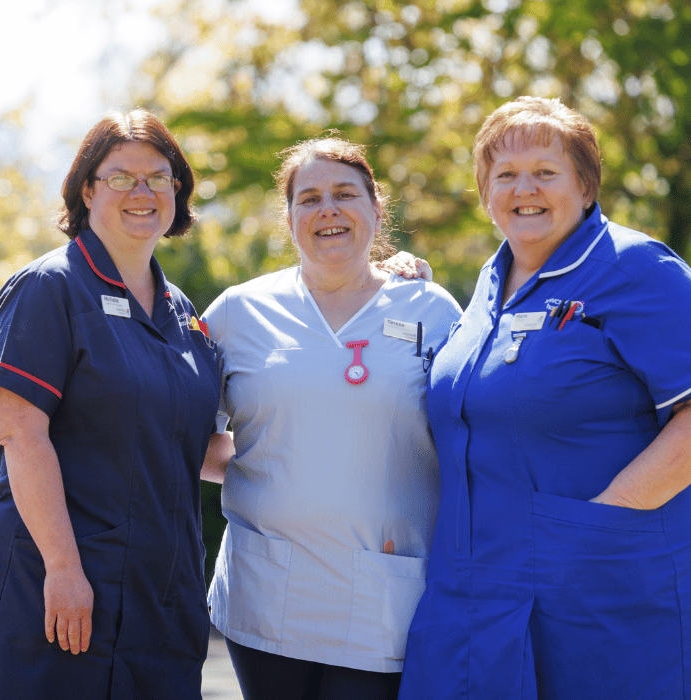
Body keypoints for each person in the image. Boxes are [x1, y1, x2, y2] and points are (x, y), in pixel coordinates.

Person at [398, 96, 691, 699]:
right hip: (471, 597)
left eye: (544, 172)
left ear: (586, 188)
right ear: (485, 195)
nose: (522, 188)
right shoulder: (484, 288)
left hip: (602, 594)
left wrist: (599, 528)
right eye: (504, 175)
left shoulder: (637, 269)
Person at [201, 135, 461, 700]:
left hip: (384, 592)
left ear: (375, 208)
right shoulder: (237, 313)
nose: (328, 210)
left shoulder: (431, 310)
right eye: (309, 198)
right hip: (268, 588)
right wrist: (269, 468)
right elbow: (186, 435)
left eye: (345, 194)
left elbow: (467, 436)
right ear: (289, 215)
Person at [0, 110, 226, 699]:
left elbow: (195, 450)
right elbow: (19, 432)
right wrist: (64, 570)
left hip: (163, 596)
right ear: (87, 190)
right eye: (121, 177)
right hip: (59, 588)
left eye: (159, 177)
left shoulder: (184, 317)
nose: (142, 192)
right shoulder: (50, 287)